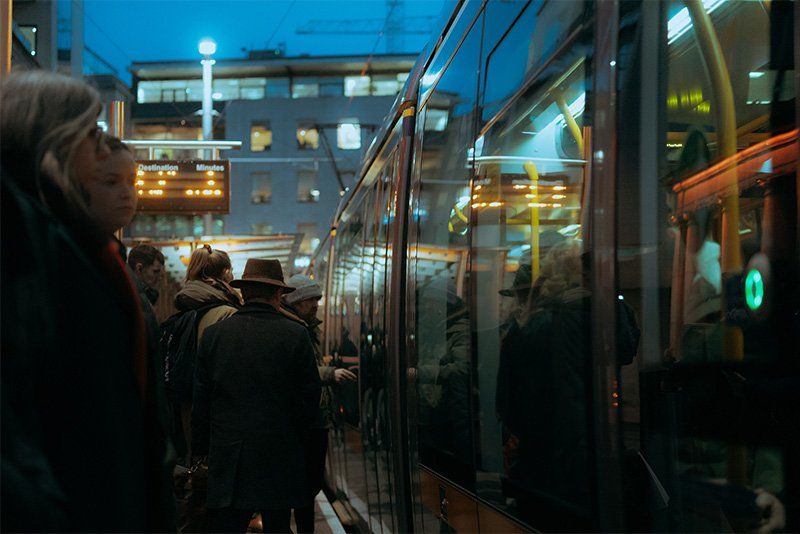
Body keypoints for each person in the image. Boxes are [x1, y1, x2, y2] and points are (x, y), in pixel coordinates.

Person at [1, 71, 173, 531]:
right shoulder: (27, 234)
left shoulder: (63, 235)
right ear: (53, 136)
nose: (100, 146)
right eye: (90, 131)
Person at [192, 259, 322, 533]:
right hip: (279, 458)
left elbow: (201, 403)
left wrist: (202, 451)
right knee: (277, 527)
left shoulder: (214, 336)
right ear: (278, 295)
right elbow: (309, 403)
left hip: (229, 461)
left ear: (243, 293)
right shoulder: (295, 335)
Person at [282, 274, 356, 533]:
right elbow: (297, 370)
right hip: (305, 421)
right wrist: (328, 374)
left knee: (308, 485)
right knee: (304, 486)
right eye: (311, 299)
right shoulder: (293, 328)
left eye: (317, 299)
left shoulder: (307, 326)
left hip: (314, 418)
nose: (316, 304)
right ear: (296, 301)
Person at [170, 245, 242, 466]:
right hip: (217, 413)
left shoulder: (185, 311)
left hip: (186, 407)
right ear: (223, 274)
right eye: (230, 270)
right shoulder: (227, 314)